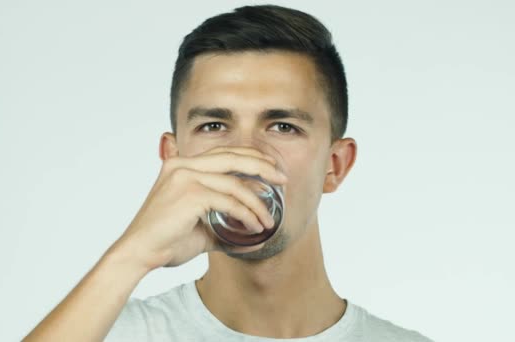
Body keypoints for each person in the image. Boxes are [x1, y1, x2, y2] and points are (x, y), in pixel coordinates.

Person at [24, 4, 434, 341]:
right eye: (214, 126)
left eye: (283, 126)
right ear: (173, 159)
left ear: (335, 165)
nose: (244, 155)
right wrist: (132, 256)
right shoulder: (108, 332)